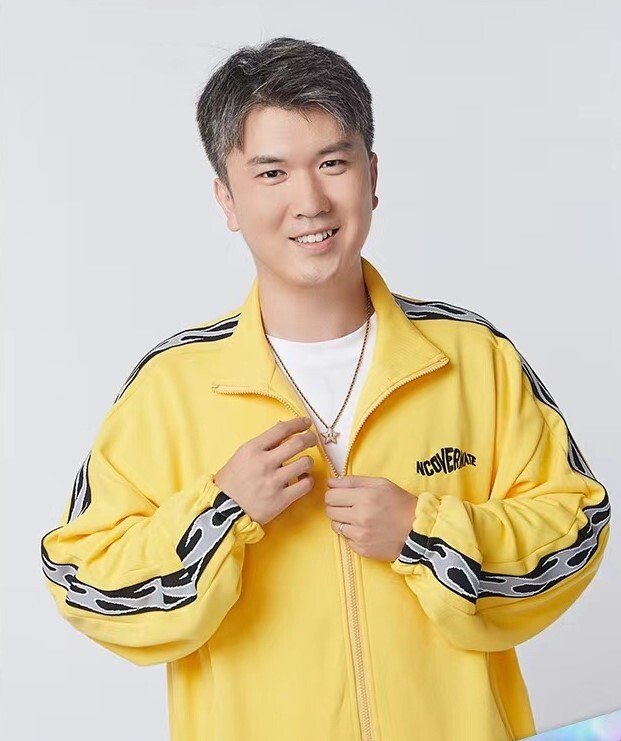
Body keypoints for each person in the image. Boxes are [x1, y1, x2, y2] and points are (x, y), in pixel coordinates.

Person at [40, 36, 611, 741]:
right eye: (271, 173)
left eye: (332, 163)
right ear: (227, 197)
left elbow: (577, 526)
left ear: (371, 175)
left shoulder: (472, 358)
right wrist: (219, 513)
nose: (309, 201)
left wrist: (423, 533)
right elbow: (85, 580)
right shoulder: (171, 386)